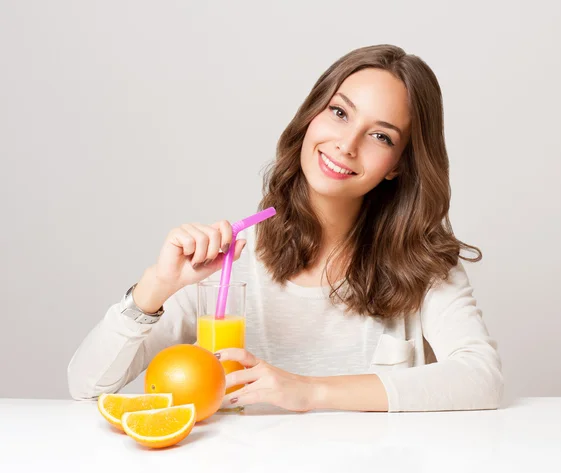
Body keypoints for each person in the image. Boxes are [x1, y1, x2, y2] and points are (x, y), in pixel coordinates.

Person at [68, 44, 503, 413]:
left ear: (399, 166)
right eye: (339, 113)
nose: (346, 145)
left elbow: (481, 378)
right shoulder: (226, 262)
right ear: (312, 114)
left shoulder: (421, 264)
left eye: (381, 136)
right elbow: (86, 385)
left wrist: (308, 390)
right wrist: (157, 286)